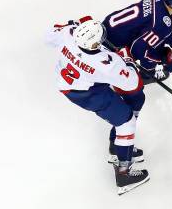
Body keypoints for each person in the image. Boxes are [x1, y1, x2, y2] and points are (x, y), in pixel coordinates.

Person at [45, 17, 149, 195]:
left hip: (69, 83)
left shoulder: (68, 35)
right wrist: (128, 60)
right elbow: (133, 84)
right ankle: (124, 175)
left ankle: (116, 150)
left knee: (125, 114)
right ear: (93, 45)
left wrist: (72, 26)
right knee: (126, 122)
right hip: (88, 93)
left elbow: (48, 37)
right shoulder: (107, 63)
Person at [102, 0, 172, 82]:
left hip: (105, 29)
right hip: (110, 46)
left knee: (152, 38)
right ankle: (146, 75)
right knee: (165, 62)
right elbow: (139, 49)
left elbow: (154, 27)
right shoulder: (161, 24)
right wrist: (160, 60)